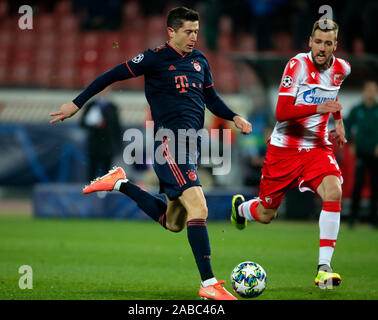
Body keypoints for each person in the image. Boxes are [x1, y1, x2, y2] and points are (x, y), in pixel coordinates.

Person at [50, 7, 252, 300]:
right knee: (200, 207)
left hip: (190, 145)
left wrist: (234, 117)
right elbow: (111, 75)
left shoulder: (199, 61)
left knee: (174, 222)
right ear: (171, 31)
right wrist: (77, 103)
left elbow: (212, 99)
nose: (194, 37)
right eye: (188, 31)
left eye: (196, 31)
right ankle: (208, 283)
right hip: (169, 144)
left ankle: (120, 183)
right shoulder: (154, 57)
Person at [230, 19, 350, 289]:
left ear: (335, 45)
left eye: (327, 43)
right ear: (310, 41)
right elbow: (282, 112)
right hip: (284, 149)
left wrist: (338, 120)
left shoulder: (342, 68)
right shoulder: (297, 65)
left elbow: (333, 95)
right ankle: (240, 209)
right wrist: (319, 109)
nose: (322, 48)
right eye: (317, 42)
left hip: (317, 147)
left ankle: (324, 268)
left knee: (334, 192)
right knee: (266, 214)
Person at [346, 80, 378, 229]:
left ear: (377, 93)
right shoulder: (357, 109)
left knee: (376, 187)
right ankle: (353, 218)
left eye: (374, 90)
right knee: (358, 185)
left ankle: (374, 219)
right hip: (361, 153)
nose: (371, 93)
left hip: (377, 154)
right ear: (364, 91)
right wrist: (351, 143)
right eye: (369, 90)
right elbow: (347, 126)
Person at [79, 92, 122, 180]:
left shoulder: (112, 107)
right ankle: (91, 190)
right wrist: (95, 125)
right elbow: (82, 123)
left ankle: (106, 191)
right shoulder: (91, 105)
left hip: (108, 144)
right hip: (94, 144)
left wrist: (118, 144)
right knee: (92, 171)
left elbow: (117, 127)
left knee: (107, 172)